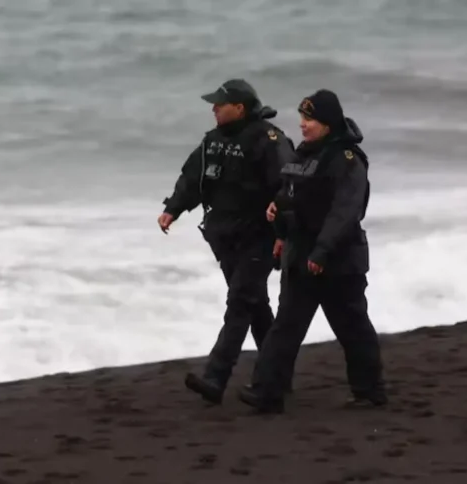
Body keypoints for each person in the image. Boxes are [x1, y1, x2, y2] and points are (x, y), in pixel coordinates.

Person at [238, 89, 387, 414]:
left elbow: (345, 213)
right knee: (285, 329)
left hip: (338, 261)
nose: (303, 125)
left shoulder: (348, 160)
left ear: (329, 124)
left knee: (353, 327)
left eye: (311, 119)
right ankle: (267, 393)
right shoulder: (303, 155)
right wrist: (278, 218)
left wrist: (321, 253)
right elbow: (289, 195)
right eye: (303, 118)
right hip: (300, 256)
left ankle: (370, 392)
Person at [158, 79, 295, 404]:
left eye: (220, 103)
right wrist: (173, 208)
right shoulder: (213, 141)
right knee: (255, 307)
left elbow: (289, 187)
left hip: (259, 238)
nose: (214, 108)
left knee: (239, 305)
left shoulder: (269, 140)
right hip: (224, 237)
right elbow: (192, 178)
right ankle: (278, 375)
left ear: (241, 107)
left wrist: (283, 236)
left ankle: (215, 379)